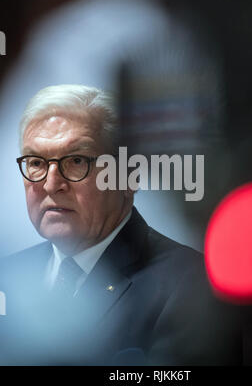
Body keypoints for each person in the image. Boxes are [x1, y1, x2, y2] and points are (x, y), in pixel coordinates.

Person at [0, 84, 239, 365]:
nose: (51, 184)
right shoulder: (8, 277)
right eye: (36, 162)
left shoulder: (193, 288)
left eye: (77, 161)